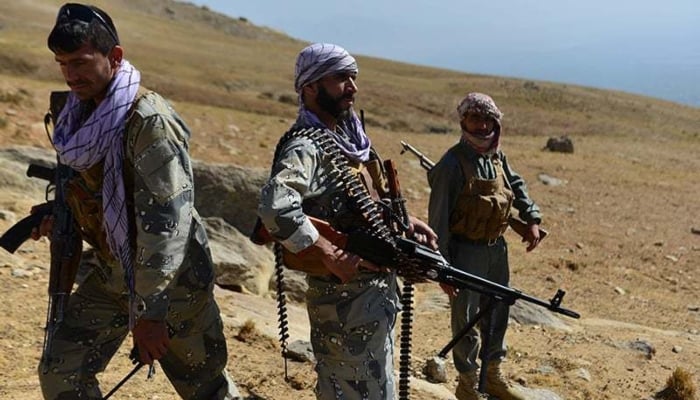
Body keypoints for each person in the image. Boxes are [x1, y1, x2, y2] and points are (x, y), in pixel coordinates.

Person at [35, 3, 241, 399]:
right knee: (62, 370)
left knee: (206, 388)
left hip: (173, 283)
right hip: (117, 272)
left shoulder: (147, 121)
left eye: (80, 62)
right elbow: (92, 190)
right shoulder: (76, 117)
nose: (71, 74)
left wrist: (151, 314)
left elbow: (167, 228)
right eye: (63, 64)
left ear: (115, 57)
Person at [257, 43, 437, 400]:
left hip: (371, 298)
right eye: (341, 78)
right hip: (343, 304)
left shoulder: (349, 141)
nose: (352, 87)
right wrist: (326, 251)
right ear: (310, 87)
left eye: (353, 77)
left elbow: (359, 206)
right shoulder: (307, 146)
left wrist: (403, 221)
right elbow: (275, 206)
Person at [428, 93, 542, 400]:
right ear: (463, 121)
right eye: (474, 118)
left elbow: (516, 186)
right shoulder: (451, 164)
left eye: (487, 119)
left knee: (497, 310)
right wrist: (442, 267)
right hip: (464, 253)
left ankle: (492, 375)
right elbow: (437, 221)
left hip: (496, 250)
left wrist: (531, 218)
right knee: (465, 319)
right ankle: (468, 382)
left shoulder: (496, 156)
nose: (481, 125)